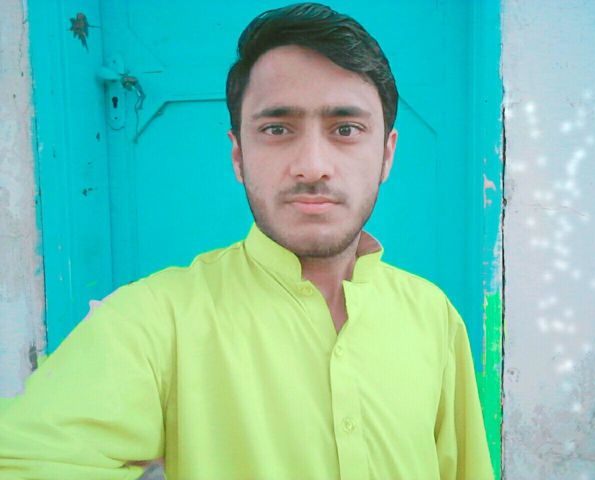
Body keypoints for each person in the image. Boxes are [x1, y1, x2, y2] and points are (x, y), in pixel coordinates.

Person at [0, 3, 494, 479]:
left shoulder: (434, 316)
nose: (313, 166)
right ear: (238, 155)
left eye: (346, 129)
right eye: (277, 128)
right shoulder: (154, 322)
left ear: (387, 154)